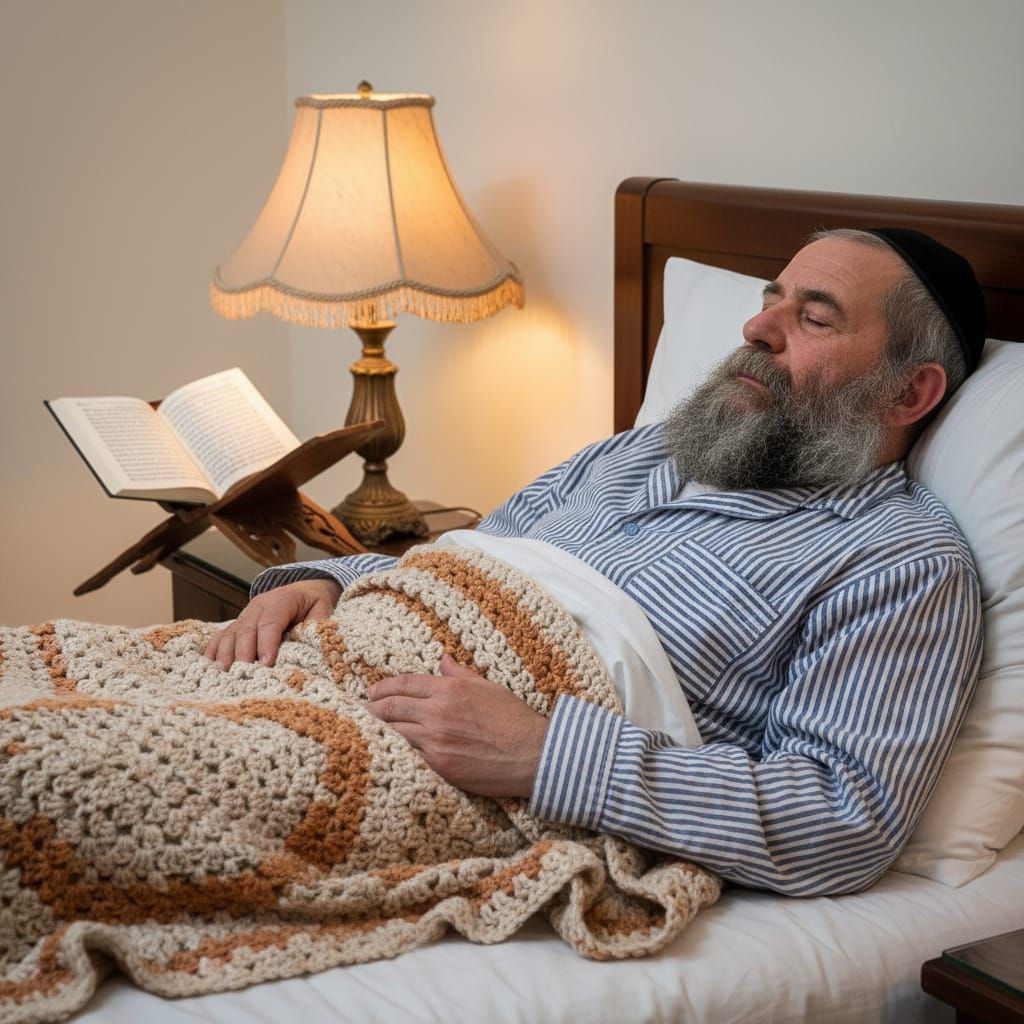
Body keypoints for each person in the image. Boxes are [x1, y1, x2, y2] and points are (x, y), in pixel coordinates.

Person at [205, 228, 986, 897]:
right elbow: (474, 558)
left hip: (424, 764)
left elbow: (842, 819)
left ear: (910, 393)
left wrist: (546, 754)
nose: (757, 327)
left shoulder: (898, 561)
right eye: (770, 298)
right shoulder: (642, 449)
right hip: (324, 659)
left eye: (813, 317)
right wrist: (327, 579)